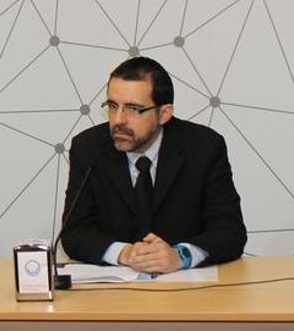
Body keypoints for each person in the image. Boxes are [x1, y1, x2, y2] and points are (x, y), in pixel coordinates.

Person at [61, 57, 246, 274]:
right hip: (113, 293)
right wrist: (125, 253)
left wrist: (179, 256)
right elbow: (74, 233)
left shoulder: (204, 147)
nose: (118, 120)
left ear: (164, 114)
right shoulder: (88, 148)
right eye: (112, 106)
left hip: (188, 292)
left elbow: (230, 232)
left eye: (133, 109)